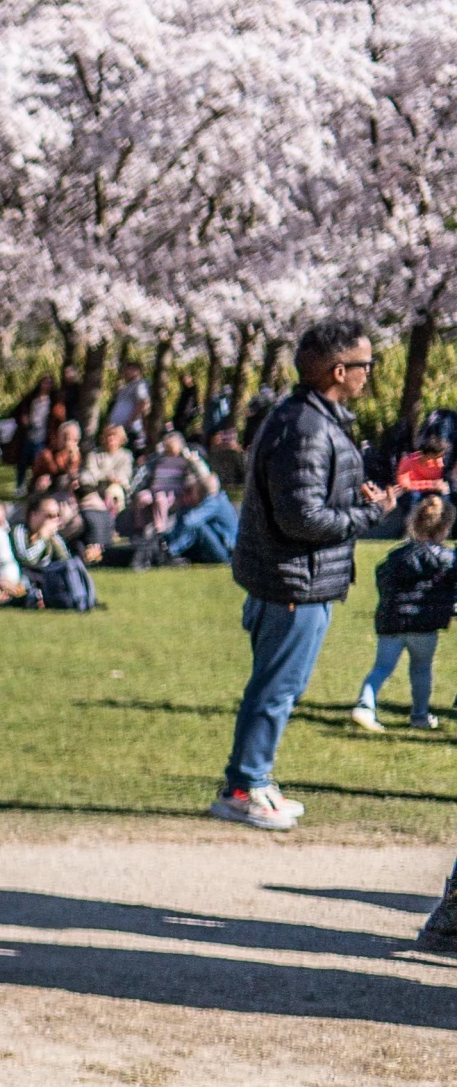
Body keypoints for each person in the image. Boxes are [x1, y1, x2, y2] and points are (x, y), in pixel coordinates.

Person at [217, 319, 391, 832]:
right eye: (366, 365)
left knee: (275, 687)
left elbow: (306, 499)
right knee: (277, 689)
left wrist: (355, 497)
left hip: (294, 577)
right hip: (294, 581)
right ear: (340, 370)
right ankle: (246, 786)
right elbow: (301, 518)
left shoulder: (310, 419)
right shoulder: (306, 426)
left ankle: (249, 781)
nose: (369, 374)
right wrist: (368, 517)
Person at [352, 491, 452, 732]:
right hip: (424, 625)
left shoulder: (396, 555)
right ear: (445, 527)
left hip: (391, 621)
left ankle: (365, 705)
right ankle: (419, 715)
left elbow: (382, 580)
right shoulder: (448, 558)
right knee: (421, 668)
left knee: (381, 667)